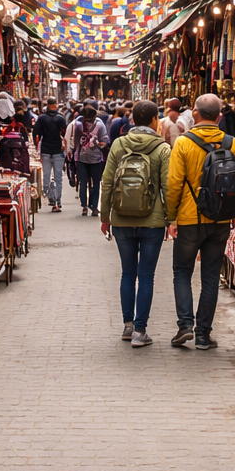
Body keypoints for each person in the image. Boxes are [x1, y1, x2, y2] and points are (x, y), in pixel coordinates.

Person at [165, 93, 235, 350]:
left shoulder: (183, 143)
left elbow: (174, 184)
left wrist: (171, 217)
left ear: (196, 114)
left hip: (189, 219)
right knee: (211, 276)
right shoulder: (231, 142)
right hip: (219, 220)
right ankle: (203, 335)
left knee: (182, 272)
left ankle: (185, 325)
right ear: (220, 116)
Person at [100, 100, 170, 348]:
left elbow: (107, 182)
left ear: (133, 119)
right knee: (147, 275)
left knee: (127, 273)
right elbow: (167, 188)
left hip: (121, 219)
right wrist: (170, 219)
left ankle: (127, 326)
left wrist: (105, 216)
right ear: (154, 120)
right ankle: (141, 331)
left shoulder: (119, 144)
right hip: (152, 222)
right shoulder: (162, 148)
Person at [67, 104, 109, 216]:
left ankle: (92, 206)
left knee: (93, 183)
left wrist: (97, 144)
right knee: (86, 182)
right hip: (82, 158)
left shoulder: (99, 125)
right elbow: (74, 141)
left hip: (94, 158)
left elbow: (105, 139)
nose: (90, 121)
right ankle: (86, 205)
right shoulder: (78, 125)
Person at [32, 98, 69, 212]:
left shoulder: (42, 118)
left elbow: (35, 134)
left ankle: (50, 197)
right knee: (58, 178)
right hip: (58, 150)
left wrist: (36, 146)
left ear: (47, 105)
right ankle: (57, 201)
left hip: (46, 151)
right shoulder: (61, 118)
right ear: (56, 105)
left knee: (46, 176)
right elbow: (65, 133)